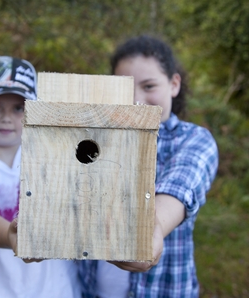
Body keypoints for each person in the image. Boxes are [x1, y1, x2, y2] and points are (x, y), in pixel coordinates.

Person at [79, 36, 219, 297]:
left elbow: (181, 186)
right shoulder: (96, 138)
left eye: (149, 86)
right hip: (94, 288)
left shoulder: (193, 140)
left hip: (162, 289)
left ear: (174, 84)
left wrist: (152, 228)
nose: (137, 100)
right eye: (126, 88)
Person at [0, 56, 81, 298]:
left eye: (19, 108)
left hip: (61, 290)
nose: (6, 117)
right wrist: (10, 235)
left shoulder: (53, 156)